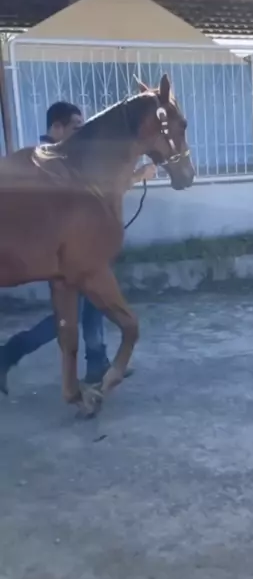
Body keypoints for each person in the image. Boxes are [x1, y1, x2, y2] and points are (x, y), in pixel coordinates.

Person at [0, 100, 156, 394]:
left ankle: (96, 360)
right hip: (56, 253)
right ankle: (10, 352)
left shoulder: (69, 160)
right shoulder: (49, 164)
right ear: (56, 128)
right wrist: (137, 176)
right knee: (71, 313)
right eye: (76, 128)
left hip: (76, 250)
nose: (82, 134)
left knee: (91, 305)